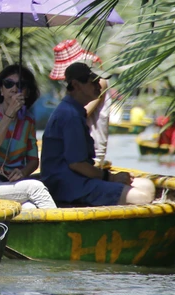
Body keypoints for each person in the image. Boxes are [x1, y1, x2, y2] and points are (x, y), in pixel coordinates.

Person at [40, 62, 156, 206]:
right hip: (69, 186)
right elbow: (77, 164)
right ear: (76, 85)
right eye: (93, 82)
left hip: (77, 180)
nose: (99, 86)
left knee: (148, 186)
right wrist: (110, 177)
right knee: (141, 198)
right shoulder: (70, 115)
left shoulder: (74, 111)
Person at [0, 65, 56, 209]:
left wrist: (23, 172)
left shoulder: (28, 120)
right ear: (1, 90)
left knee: (30, 208)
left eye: (21, 85)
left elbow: (33, 161)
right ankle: (61, 228)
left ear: (27, 93)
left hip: (13, 185)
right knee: (35, 188)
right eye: (9, 84)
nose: (14, 89)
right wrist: (9, 114)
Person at [49, 39, 110, 161]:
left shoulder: (98, 83)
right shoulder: (78, 89)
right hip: (76, 147)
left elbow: (83, 113)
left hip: (93, 148)